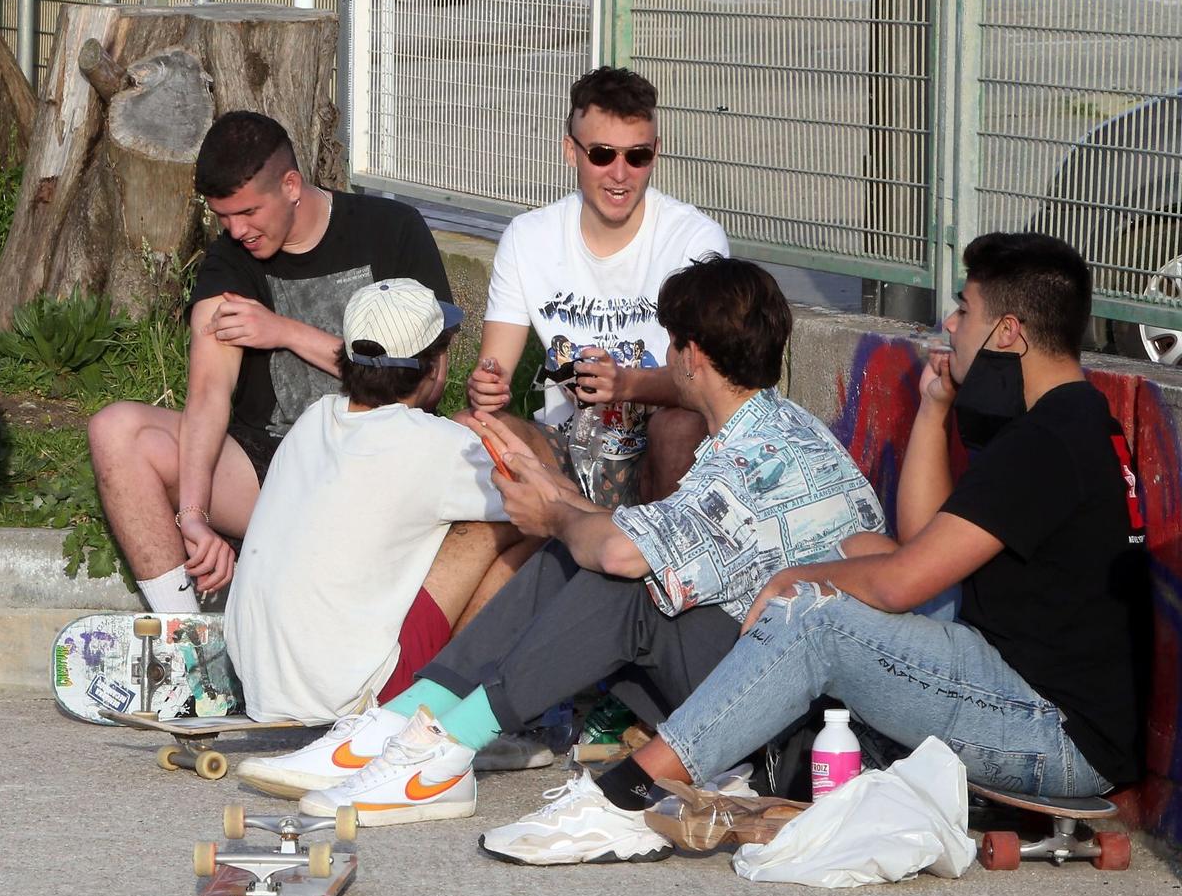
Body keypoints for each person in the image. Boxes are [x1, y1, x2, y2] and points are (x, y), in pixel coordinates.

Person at [484, 234, 1151, 867]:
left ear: (1009, 331)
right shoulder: (1071, 421)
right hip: (1018, 682)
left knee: (818, 617)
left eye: (965, 310)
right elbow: (922, 546)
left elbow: (899, 583)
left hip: (1050, 730)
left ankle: (622, 800)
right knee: (859, 578)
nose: (949, 325)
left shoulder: (1045, 445)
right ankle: (737, 759)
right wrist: (933, 406)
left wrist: (801, 577)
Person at [265, 258, 884, 828]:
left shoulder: (747, 464)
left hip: (786, 727)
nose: (668, 359)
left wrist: (555, 515)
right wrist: (557, 494)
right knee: (587, 556)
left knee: (624, 587)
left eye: (671, 344)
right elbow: (651, 538)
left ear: (691, 356)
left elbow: (623, 554)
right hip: (765, 677)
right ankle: (406, 721)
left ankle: (447, 751)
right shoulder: (784, 431)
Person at [87, 112, 450, 615]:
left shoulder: (391, 230)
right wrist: (192, 514)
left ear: (291, 184)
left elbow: (429, 383)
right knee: (116, 428)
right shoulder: (228, 262)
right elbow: (208, 394)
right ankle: (183, 634)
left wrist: (286, 332)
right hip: (273, 471)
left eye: (249, 212)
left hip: (375, 461)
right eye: (223, 216)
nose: (237, 231)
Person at [223, 279, 526, 740]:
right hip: (357, 697)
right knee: (519, 524)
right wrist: (504, 430)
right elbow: (538, 498)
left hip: (265, 688)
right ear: (433, 366)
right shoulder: (437, 445)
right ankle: (455, 719)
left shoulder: (314, 418)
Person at [468, 66, 727, 510]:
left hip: (661, 446)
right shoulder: (528, 236)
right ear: (571, 151)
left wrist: (625, 384)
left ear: (656, 153)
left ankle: (654, 566)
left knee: (680, 428)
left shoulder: (694, 239)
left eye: (637, 156)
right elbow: (495, 369)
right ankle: (566, 537)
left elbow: (712, 383)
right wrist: (487, 386)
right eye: (603, 154)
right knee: (471, 427)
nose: (620, 174)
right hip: (566, 445)